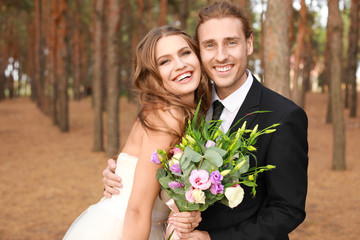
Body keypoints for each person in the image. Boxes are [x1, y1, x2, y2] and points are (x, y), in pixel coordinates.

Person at [103, 1, 309, 240]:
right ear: (199, 51)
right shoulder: (188, 106)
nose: (221, 56)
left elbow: (287, 211)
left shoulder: (283, 116)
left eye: (231, 42)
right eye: (210, 45)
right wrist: (120, 178)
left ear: (249, 43)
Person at [63, 26, 211, 240]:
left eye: (185, 53)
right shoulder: (167, 117)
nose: (180, 65)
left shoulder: (194, 114)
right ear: (154, 75)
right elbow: (137, 209)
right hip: (126, 230)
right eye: (164, 61)